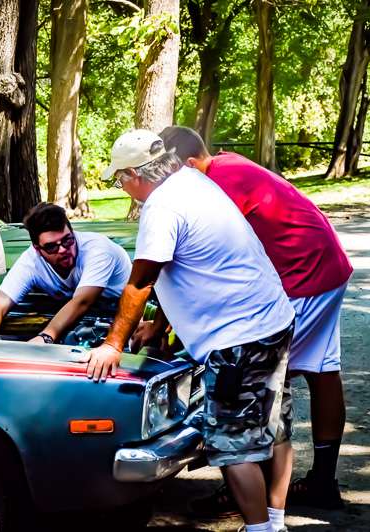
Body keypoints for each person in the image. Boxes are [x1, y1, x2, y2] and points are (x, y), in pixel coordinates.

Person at [86, 129, 296, 532]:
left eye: (120, 179)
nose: (123, 187)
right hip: (273, 318)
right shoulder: (193, 180)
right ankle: (275, 518)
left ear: (134, 175)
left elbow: (142, 279)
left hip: (237, 336)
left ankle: (260, 530)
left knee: (232, 445)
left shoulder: (161, 206)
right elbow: (185, 266)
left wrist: (113, 344)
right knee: (274, 424)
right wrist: (160, 324)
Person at [152, 126, 353, 512]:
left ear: (190, 165)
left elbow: (187, 258)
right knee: (322, 371)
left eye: (170, 171)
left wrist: (162, 324)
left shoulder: (214, 185)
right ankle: (322, 482)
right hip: (328, 265)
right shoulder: (228, 164)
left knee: (253, 376)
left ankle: (248, 489)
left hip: (302, 273)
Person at [0, 202, 131, 344]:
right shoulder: (31, 261)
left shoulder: (98, 250)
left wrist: (46, 337)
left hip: (123, 317)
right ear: (37, 248)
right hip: (77, 322)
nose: (62, 250)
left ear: (73, 232)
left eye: (67, 240)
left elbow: (82, 302)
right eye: (51, 247)